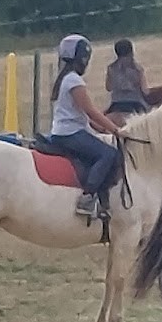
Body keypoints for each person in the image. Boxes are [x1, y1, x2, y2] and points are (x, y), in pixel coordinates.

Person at [50, 34, 120, 218]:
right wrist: (116, 130)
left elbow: (81, 116)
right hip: (70, 133)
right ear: (82, 58)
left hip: (65, 131)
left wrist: (102, 129)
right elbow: (90, 110)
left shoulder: (63, 78)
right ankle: (87, 198)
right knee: (108, 153)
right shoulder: (74, 80)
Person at [105, 39, 149, 124]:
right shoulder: (138, 69)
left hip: (116, 105)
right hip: (136, 105)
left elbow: (108, 87)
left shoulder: (111, 68)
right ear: (131, 52)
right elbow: (145, 91)